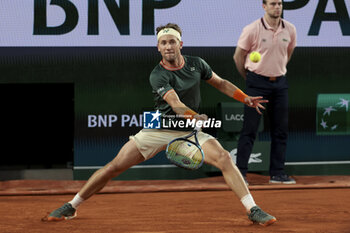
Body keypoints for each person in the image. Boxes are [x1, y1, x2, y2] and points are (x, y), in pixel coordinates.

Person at [44, 23, 276, 226]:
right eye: (163, 42)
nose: (168, 46)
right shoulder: (158, 75)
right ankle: (72, 205)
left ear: (180, 44)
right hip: (158, 127)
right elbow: (175, 104)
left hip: (189, 132)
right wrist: (194, 115)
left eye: (172, 42)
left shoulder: (197, 64)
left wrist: (244, 97)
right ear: (158, 47)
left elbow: (220, 83)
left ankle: (252, 209)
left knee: (224, 158)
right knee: (114, 166)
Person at [233, 0, 297, 184]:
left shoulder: (290, 29)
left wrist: (277, 71)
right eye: (272, 3)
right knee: (250, 129)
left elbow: (288, 52)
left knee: (280, 130)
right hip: (256, 83)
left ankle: (277, 173)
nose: (277, 7)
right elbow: (238, 56)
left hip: (280, 83)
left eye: (279, 3)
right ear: (264, 6)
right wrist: (250, 78)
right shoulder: (252, 29)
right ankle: (240, 174)